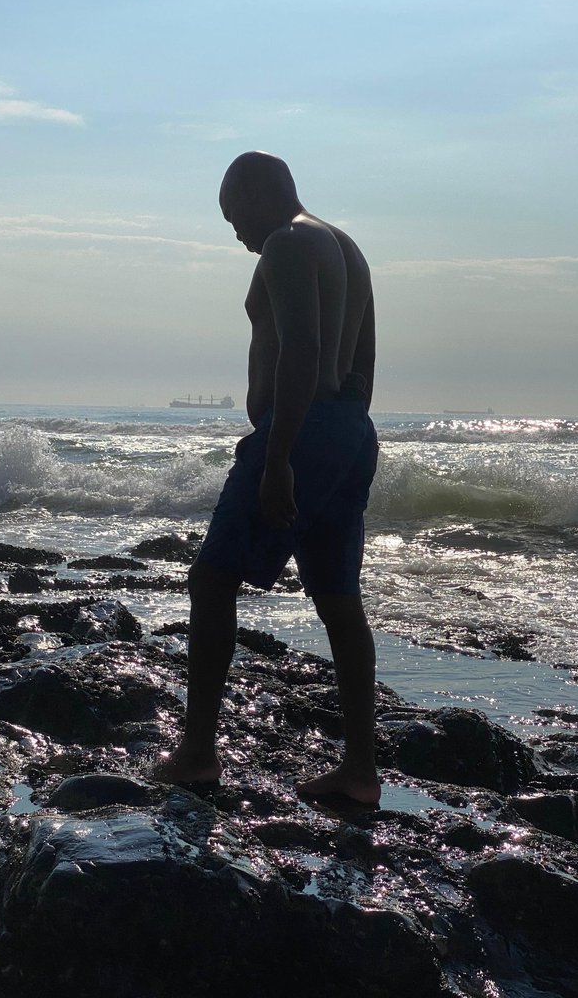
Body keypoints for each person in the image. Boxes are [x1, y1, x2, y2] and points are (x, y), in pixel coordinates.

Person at [153, 151, 380, 804]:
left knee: (212, 578)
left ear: (257, 191)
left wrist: (280, 453)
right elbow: (361, 360)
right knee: (338, 600)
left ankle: (197, 752)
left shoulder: (284, 245)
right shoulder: (345, 248)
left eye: (233, 214)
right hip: (349, 429)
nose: (235, 233)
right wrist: (340, 435)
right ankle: (361, 772)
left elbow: (303, 347)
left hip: (301, 428)